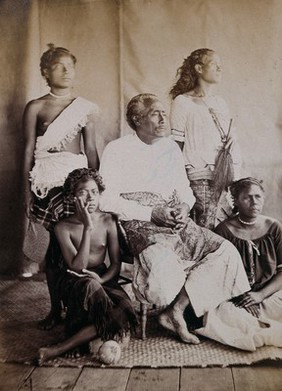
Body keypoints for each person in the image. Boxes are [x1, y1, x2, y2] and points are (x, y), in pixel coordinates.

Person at [99, 93, 250, 344]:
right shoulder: (117, 149)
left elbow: (185, 192)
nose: (163, 118)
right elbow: (105, 200)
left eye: (164, 113)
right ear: (137, 119)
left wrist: (183, 206)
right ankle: (173, 305)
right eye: (155, 113)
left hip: (177, 222)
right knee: (164, 267)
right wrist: (150, 213)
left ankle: (175, 310)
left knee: (227, 253)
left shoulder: (169, 147)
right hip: (138, 224)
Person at [22, 44, 100, 330]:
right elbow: (28, 150)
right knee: (54, 251)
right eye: (59, 66)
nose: (67, 71)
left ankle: (82, 307)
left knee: (76, 245)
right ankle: (55, 308)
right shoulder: (36, 107)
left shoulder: (84, 109)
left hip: (76, 183)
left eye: (71, 66)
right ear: (45, 71)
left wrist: (97, 189)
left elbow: (91, 150)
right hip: (45, 183)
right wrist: (26, 192)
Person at [38, 168, 137, 364]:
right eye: (83, 192)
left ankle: (60, 347)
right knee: (90, 286)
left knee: (125, 311)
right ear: (71, 197)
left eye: (94, 191)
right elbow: (77, 267)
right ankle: (87, 330)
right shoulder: (62, 227)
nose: (90, 197)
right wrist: (88, 228)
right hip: (73, 279)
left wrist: (102, 279)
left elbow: (115, 263)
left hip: (101, 277)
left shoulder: (109, 220)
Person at [194, 177, 282, 350]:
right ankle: (261, 328)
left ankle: (261, 327)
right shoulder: (224, 231)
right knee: (224, 314)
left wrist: (260, 295)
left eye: (258, 197)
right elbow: (216, 275)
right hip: (235, 297)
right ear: (236, 201)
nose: (254, 202)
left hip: (269, 293)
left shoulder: (274, 227)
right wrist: (242, 297)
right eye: (247, 197)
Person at [170, 48, 241, 229]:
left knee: (226, 227)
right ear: (199, 68)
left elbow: (227, 137)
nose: (219, 68)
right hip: (199, 177)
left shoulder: (220, 102)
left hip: (226, 175)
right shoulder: (182, 102)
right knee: (205, 228)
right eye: (214, 64)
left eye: (220, 65)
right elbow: (176, 144)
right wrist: (178, 180)